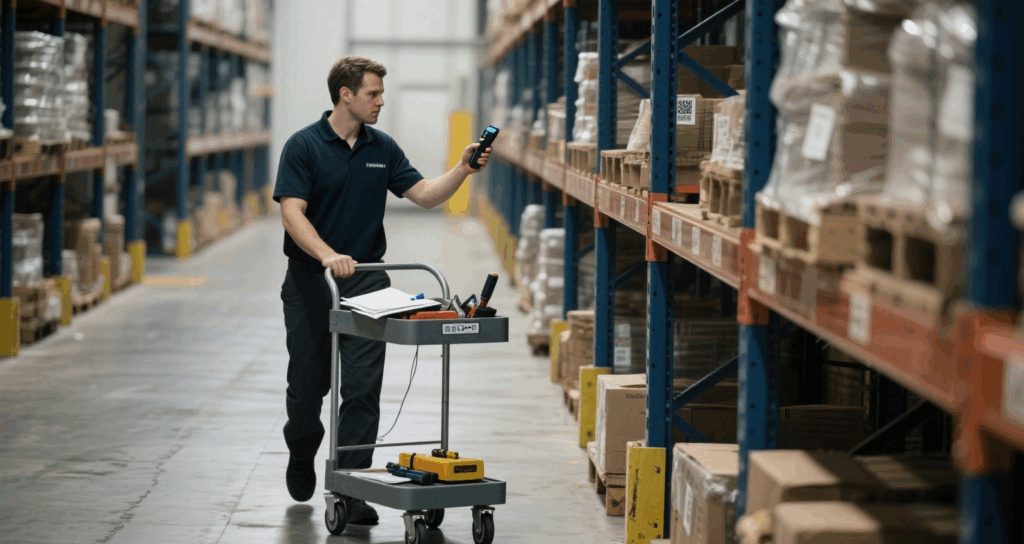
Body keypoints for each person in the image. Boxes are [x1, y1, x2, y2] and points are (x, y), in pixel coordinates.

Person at [272, 56, 491, 524]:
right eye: (373, 93)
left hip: (369, 281)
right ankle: (301, 449)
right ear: (345, 94)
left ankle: (350, 489)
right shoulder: (304, 146)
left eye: (380, 93)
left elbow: (426, 195)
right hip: (313, 280)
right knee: (308, 389)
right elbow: (292, 212)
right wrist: (328, 254)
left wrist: (461, 169)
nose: (381, 101)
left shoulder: (382, 147)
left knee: (363, 388)